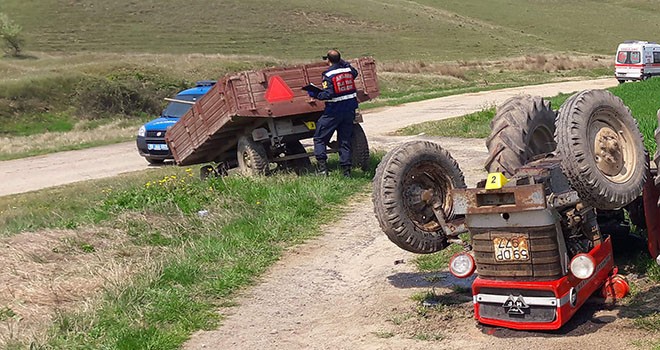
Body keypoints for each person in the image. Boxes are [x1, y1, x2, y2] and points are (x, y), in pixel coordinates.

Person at [307, 49, 359, 177]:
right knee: (344, 141)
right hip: (349, 111)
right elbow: (355, 72)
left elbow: (328, 94)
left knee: (319, 138)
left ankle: (322, 169)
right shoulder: (348, 71)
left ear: (328, 60)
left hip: (333, 112)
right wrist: (342, 61)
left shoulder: (328, 74)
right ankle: (346, 172)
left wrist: (315, 93)